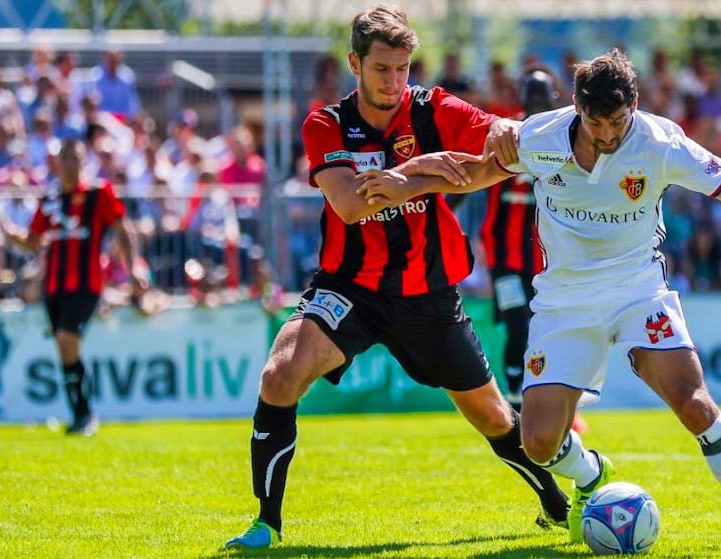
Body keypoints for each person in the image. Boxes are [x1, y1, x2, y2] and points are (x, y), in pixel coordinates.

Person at [358, 49, 721, 550]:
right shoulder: (539, 136)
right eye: (596, 122)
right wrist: (404, 179)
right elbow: (476, 173)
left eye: (618, 121)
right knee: (538, 443)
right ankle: (591, 474)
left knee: (693, 404)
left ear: (635, 105)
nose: (608, 135)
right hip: (563, 301)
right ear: (576, 107)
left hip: (638, 290)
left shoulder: (660, 142)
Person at [224, 5, 569, 549]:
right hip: (350, 288)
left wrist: (504, 131)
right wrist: (417, 169)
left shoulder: (433, 107)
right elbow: (347, 205)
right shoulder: (326, 123)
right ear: (354, 64)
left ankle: (557, 504)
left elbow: (491, 143)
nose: (393, 81)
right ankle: (267, 523)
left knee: (495, 417)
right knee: (278, 377)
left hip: (427, 295)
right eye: (382, 68)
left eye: (402, 68)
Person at [0, 139, 147, 435]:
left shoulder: (98, 193)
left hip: (86, 284)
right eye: (64, 157)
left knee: (67, 341)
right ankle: (79, 415)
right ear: (57, 162)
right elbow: (33, 240)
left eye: (74, 157)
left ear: (83, 161)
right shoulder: (50, 198)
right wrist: (10, 234)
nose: (69, 162)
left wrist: (132, 268)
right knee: (64, 349)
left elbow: (121, 229)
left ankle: (85, 415)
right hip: (53, 286)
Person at [479, 69, 586, 434]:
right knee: (517, 326)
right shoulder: (507, 136)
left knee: (547, 331)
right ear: (523, 99)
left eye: (542, 97)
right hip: (504, 259)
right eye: (532, 96)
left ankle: (551, 405)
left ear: (553, 100)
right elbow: (472, 182)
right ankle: (513, 403)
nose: (537, 104)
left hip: (546, 261)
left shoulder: (565, 141)